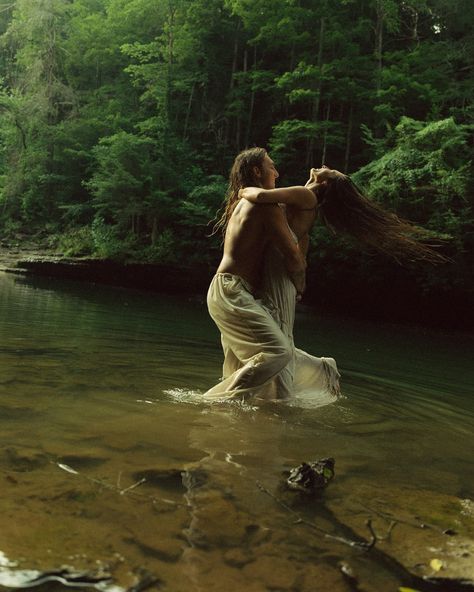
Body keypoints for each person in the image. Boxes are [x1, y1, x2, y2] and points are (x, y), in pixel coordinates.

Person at [203, 148, 317, 401]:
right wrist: (300, 283)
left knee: (239, 365)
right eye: (271, 167)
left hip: (226, 290)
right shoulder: (266, 206)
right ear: (257, 171)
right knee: (279, 352)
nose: (277, 173)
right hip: (232, 291)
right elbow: (292, 254)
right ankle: (213, 403)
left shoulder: (241, 203)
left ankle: (236, 424)